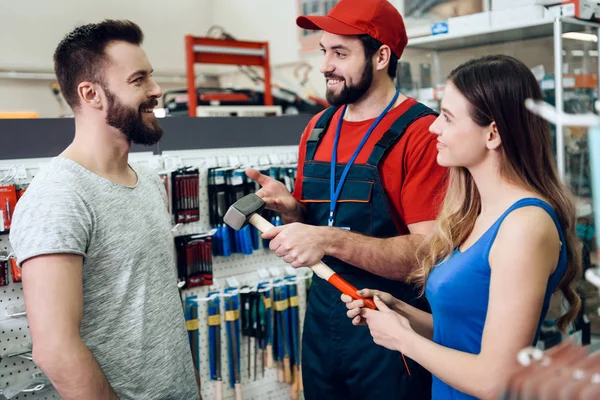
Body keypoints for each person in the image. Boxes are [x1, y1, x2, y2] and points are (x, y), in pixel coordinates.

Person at [342, 54, 582, 400]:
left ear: (492, 134)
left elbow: (495, 381)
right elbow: (466, 332)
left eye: (447, 118)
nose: (433, 127)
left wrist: (402, 339)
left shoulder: (524, 226)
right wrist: (399, 312)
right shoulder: (476, 213)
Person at [245, 0, 447, 398]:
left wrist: (328, 239)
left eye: (340, 53)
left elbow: (429, 254)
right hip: (322, 318)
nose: (325, 66)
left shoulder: (421, 133)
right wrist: (293, 211)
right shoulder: (319, 127)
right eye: (324, 51)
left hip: (391, 321)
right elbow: (316, 221)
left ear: (381, 56)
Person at [9, 20, 200, 400]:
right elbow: (55, 348)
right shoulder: (60, 196)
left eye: (152, 77)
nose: (157, 90)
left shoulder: (145, 180)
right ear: (91, 94)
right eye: (139, 80)